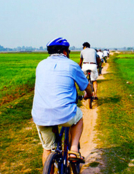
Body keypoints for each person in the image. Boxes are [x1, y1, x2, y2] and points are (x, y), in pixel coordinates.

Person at [31, 37, 93, 166]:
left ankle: (49, 164)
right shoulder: (71, 65)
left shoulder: (41, 65)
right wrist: (89, 94)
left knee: (47, 149)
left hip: (40, 114)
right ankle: (74, 149)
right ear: (65, 52)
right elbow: (86, 86)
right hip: (65, 113)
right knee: (79, 116)